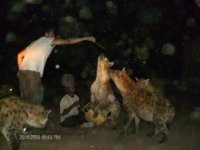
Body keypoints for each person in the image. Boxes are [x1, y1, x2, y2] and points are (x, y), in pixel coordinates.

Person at [17, 28, 96, 104]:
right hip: (32, 72)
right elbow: (68, 41)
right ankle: (36, 117)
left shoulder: (34, 43)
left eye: (54, 34)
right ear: (46, 34)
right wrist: (86, 38)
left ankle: (23, 117)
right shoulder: (48, 40)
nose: (53, 36)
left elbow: (20, 55)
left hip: (23, 73)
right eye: (51, 33)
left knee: (25, 100)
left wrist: (20, 71)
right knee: (36, 99)